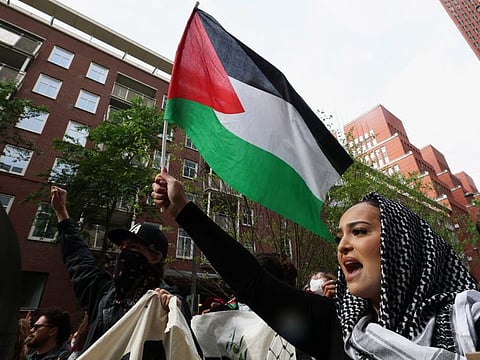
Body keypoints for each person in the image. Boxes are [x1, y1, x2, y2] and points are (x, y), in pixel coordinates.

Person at [152, 170, 480, 360]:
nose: (343, 245)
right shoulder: (339, 331)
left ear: (404, 244)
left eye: (360, 231)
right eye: (339, 237)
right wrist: (184, 211)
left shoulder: (471, 323)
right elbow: (253, 283)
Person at [50, 186, 200, 359]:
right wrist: (62, 213)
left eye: (134, 248)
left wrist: (173, 311)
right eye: (122, 248)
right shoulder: (103, 293)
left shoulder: (165, 302)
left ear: (155, 257)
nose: (124, 254)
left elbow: (183, 347)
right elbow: (78, 259)